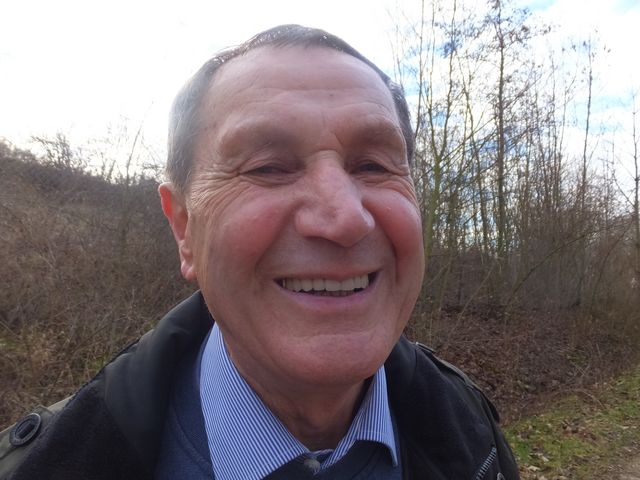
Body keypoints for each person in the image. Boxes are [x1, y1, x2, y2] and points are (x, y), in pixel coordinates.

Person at [0, 25, 519, 479]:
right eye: (268, 167)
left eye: (373, 166)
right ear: (184, 228)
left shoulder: (474, 430)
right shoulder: (44, 464)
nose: (344, 218)